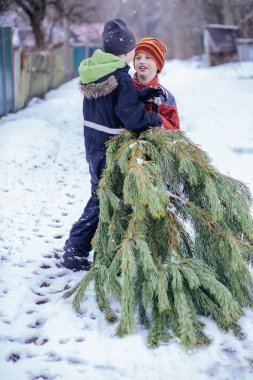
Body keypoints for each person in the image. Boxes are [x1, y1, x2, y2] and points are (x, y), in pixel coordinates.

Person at [61, 19, 163, 271]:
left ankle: (100, 248)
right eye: (133, 50)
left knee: (100, 194)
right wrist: (154, 118)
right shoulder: (121, 77)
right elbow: (133, 118)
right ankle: (76, 249)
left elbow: (112, 101)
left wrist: (140, 95)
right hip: (109, 149)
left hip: (93, 145)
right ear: (127, 52)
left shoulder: (97, 70)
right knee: (102, 199)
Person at [133, 37, 180, 131]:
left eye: (148, 58)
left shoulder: (166, 97)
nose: (142, 61)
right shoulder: (126, 89)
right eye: (138, 58)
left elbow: (175, 131)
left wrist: (155, 118)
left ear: (158, 65)